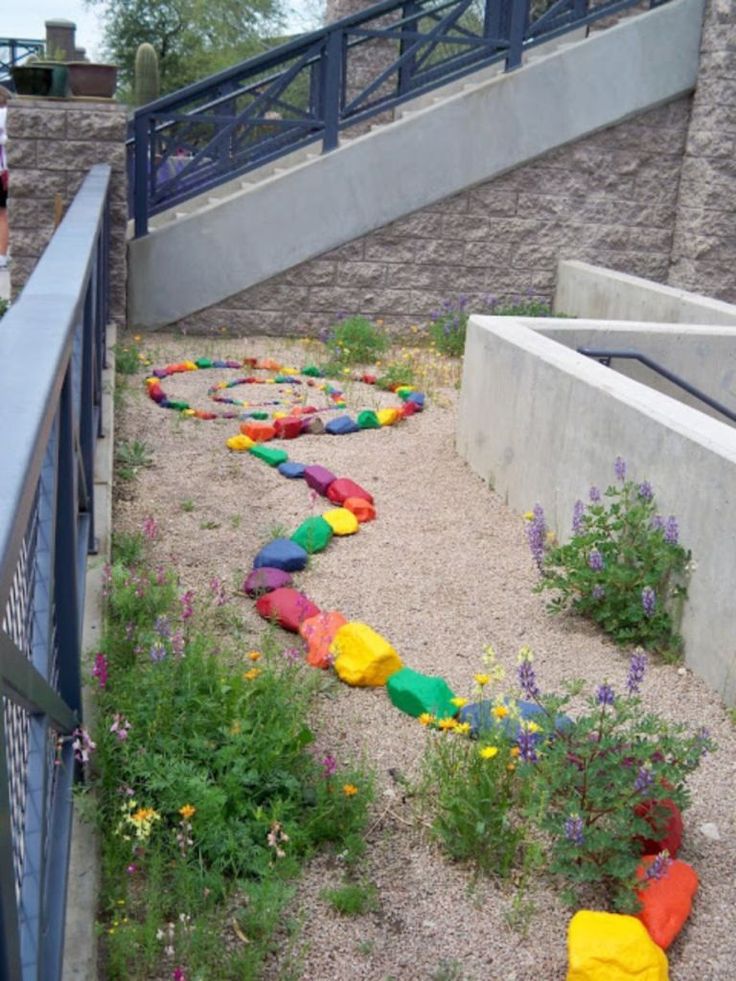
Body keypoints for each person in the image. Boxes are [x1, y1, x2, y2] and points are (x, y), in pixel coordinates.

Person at [0, 85, 11, 270]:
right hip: (4, 171)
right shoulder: (10, 114)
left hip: (2, 169)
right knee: (2, 214)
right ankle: (1, 255)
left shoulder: (4, 114)